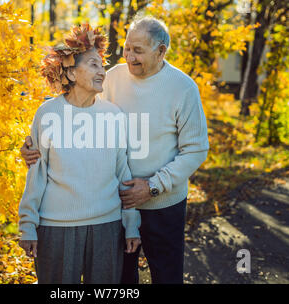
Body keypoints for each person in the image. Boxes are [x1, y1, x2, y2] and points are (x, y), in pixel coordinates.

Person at [21, 16, 209, 284]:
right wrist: (32, 146)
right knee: (121, 281)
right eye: (127, 48)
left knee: (167, 277)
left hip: (163, 204)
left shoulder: (183, 88)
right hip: (117, 204)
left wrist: (154, 185)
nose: (129, 57)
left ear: (161, 51)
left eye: (138, 51)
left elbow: (196, 149)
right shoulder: (110, 79)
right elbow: (76, 115)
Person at [18, 24, 141, 284]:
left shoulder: (113, 114)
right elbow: (37, 173)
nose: (102, 71)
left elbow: (123, 173)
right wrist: (28, 223)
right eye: (94, 65)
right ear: (72, 74)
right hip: (56, 228)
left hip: (107, 227)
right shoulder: (48, 113)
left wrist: (131, 223)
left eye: (102, 65)